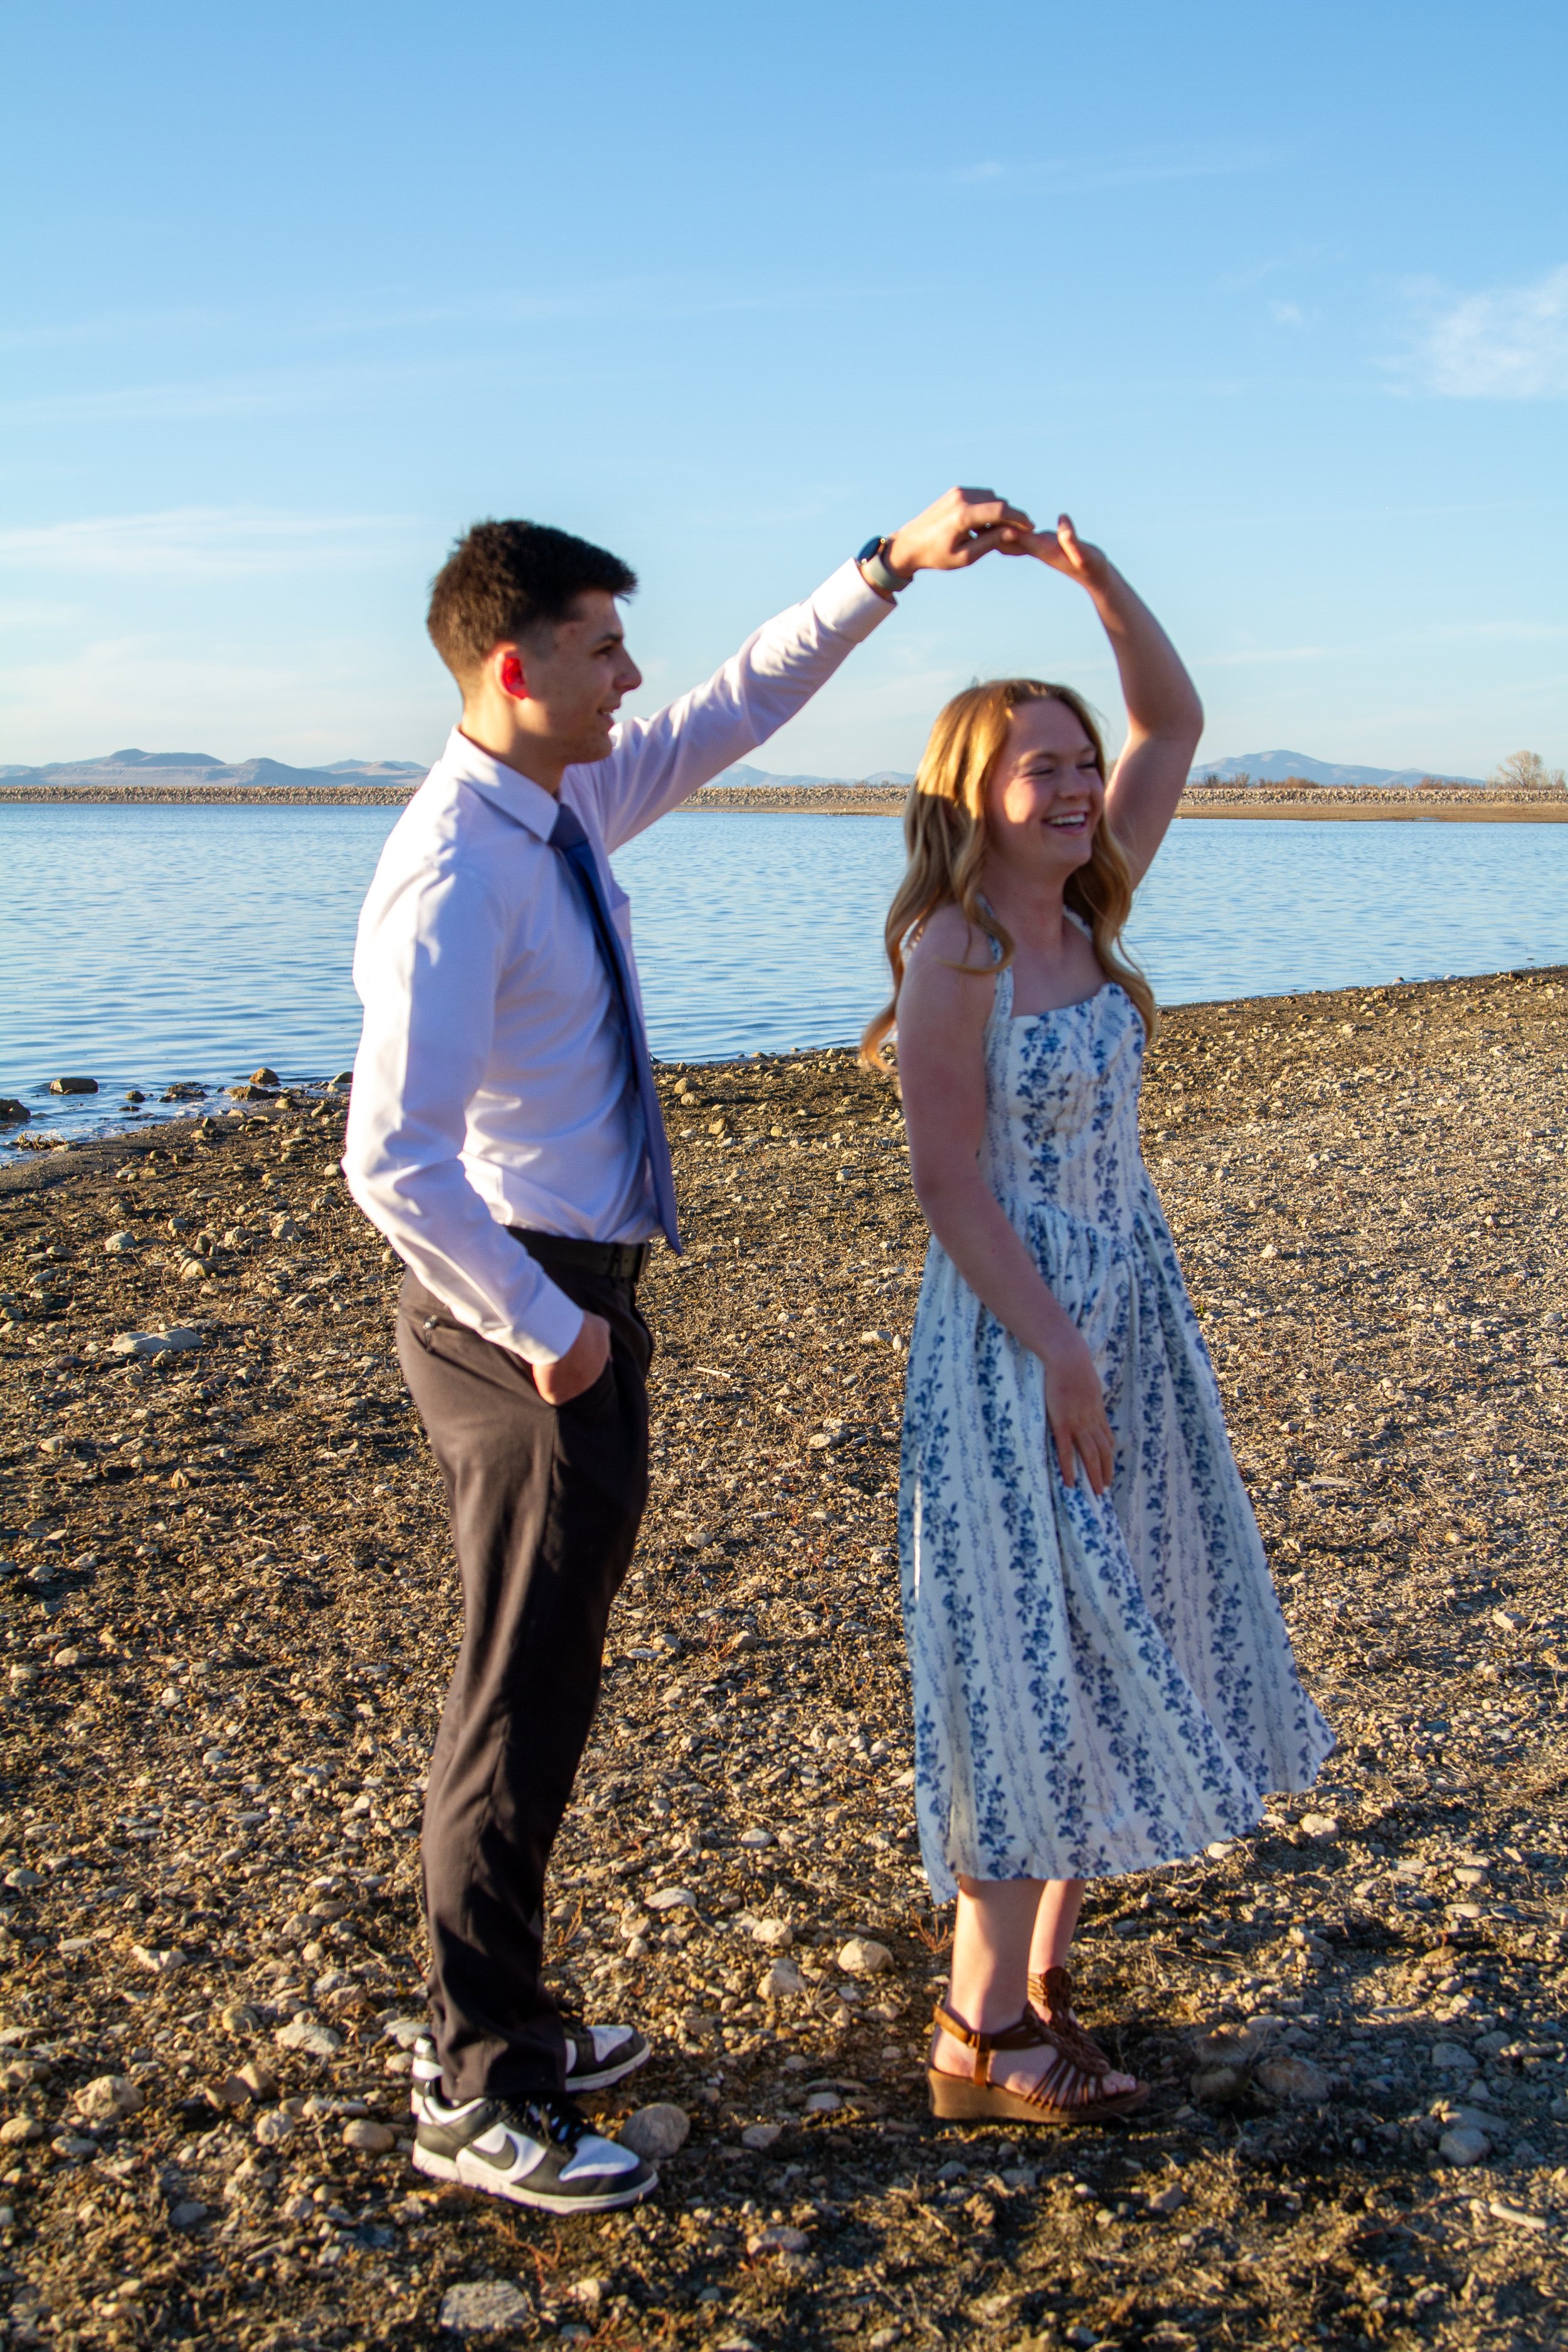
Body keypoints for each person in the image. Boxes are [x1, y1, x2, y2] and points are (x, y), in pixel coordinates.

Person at [342, 489, 1032, 2210]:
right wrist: (556, 1332)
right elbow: (388, 1153)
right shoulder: (452, 867)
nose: (630, 675)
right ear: (516, 665)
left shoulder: (561, 808)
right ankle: (479, 2079)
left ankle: (497, 2018)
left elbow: (740, 698)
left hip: (568, 1293)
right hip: (523, 1305)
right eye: (599, 648)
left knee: (543, 1680)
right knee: (515, 1695)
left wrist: (883, 568)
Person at [863, 514, 1333, 2126]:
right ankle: (976, 2038)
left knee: (1127, 1621)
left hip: (1127, 1313)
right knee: (1018, 1650)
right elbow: (945, 1184)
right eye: (1031, 770)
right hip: (1010, 1340)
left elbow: (1174, 721)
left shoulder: (1088, 904)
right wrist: (1057, 1349)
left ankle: (1039, 1987)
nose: (1068, 788)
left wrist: (1090, 583)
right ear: (966, 795)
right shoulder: (961, 947)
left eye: (1074, 762)